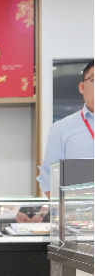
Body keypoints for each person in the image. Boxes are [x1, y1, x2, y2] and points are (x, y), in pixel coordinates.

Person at [37, 60, 94, 199]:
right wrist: (69, 210)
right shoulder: (62, 129)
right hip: (82, 212)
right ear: (82, 87)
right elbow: (48, 182)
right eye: (93, 79)